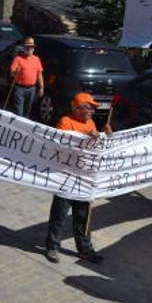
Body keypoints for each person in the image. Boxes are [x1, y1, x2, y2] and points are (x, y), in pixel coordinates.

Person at [44, 93, 110, 264]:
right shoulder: (65, 121)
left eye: (93, 108)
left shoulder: (91, 123)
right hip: (66, 178)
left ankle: (85, 249)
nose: (92, 112)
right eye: (88, 107)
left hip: (84, 180)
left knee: (83, 217)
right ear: (76, 108)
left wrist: (105, 135)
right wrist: (89, 136)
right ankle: (52, 247)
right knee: (59, 215)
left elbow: (96, 147)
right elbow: (63, 146)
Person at [9, 37, 44, 118]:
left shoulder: (37, 59)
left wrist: (41, 87)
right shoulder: (18, 59)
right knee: (19, 111)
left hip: (32, 88)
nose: (29, 48)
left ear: (34, 48)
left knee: (28, 111)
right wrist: (15, 72)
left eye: (31, 47)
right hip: (20, 88)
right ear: (24, 48)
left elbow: (39, 74)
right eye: (28, 47)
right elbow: (11, 73)